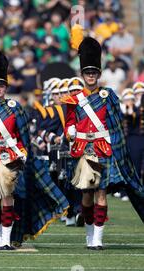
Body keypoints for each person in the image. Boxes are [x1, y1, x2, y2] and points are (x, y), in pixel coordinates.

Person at [0, 39, 69, 249]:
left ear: (6, 87)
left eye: (1, 85)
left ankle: (6, 239)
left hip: (10, 158)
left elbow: (23, 136)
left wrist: (22, 153)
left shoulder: (16, 108)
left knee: (8, 198)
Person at [63, 31, 144, 250]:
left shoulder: (109, 95)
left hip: (103, 149)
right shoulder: (73, 100)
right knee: (87, 197)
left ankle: (97, 239)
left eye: (94, 72)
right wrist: (70, 130)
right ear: (82, 74)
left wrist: (116, 147)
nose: (91, 75)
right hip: (84, 150)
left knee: (101, 194)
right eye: (87, 72)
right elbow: (69, 122)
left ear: (98, 74)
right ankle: (89, 234)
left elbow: (117, 124)